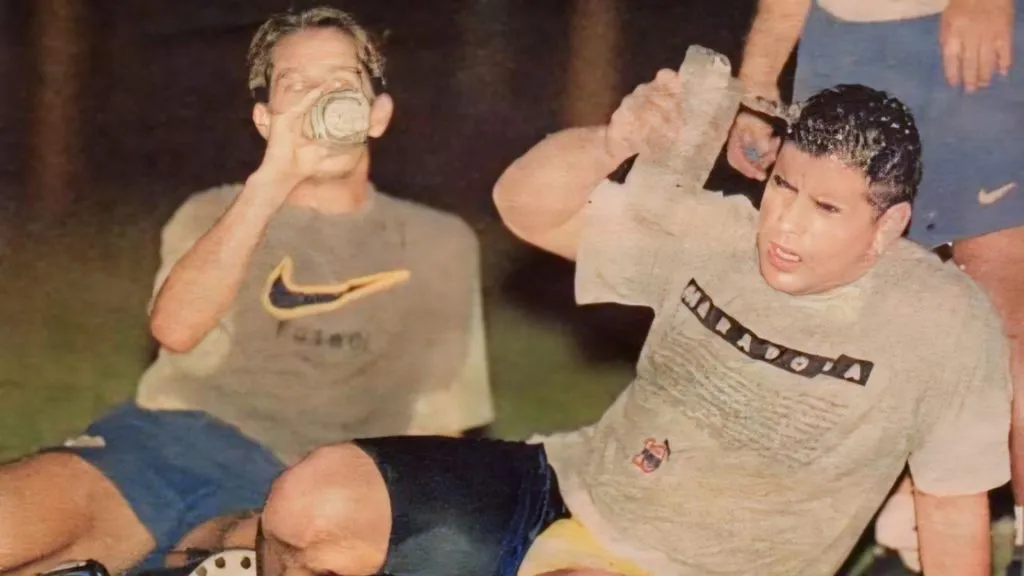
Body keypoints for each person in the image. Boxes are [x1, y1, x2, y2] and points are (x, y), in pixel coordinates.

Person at [247, 64, 1012, 576]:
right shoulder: (714, 234)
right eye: (783, 189)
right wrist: (617, 139)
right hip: (574, 484)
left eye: (826, 209)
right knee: (308, 502)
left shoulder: (939, 322)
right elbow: (524, 204)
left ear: (889, 226)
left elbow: (951, 509)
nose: (785, 226)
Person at [0, 6, 493, 575]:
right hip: (169, 446)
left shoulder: (439, 240)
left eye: (339, 81)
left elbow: (443, 423)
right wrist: (275, 177)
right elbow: (175, 330)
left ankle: (216, 554)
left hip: (320, 480)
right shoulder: (215, 212)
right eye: (295, 84)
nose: (318, 98)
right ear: (265, 118)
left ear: (377, 113)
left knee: (280, 542)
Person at [725, 1, 1023, 569]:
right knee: (854, 303)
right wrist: (757, 87)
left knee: (1003, 318)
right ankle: (894, 527)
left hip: (966, 39)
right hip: (844, 44)